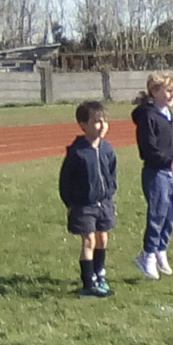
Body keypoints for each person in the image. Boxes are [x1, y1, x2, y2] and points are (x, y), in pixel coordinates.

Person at [58, 100, 118, 297]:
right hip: (84, 205)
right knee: (89, 240)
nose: (102, 126)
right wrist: (70, 204)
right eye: (96, 122)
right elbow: (66, 180)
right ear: (83, 125)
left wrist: (110, 193)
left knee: (102, 237)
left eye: (104, 121)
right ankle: (88, 283)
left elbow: (111, 172)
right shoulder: (77, 152)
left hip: (104, 203)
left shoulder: (107, 148)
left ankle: (100, 273)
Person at [131, 73, 173, 280]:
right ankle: (148, 255)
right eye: (167, 91)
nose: (172, 95)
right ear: (154, 92)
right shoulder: (148, 116)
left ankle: (161, 248)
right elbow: (147, 148)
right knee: (158, 214)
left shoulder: (168, 114)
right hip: (156, 172)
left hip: (171, 172)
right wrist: (166, 160)